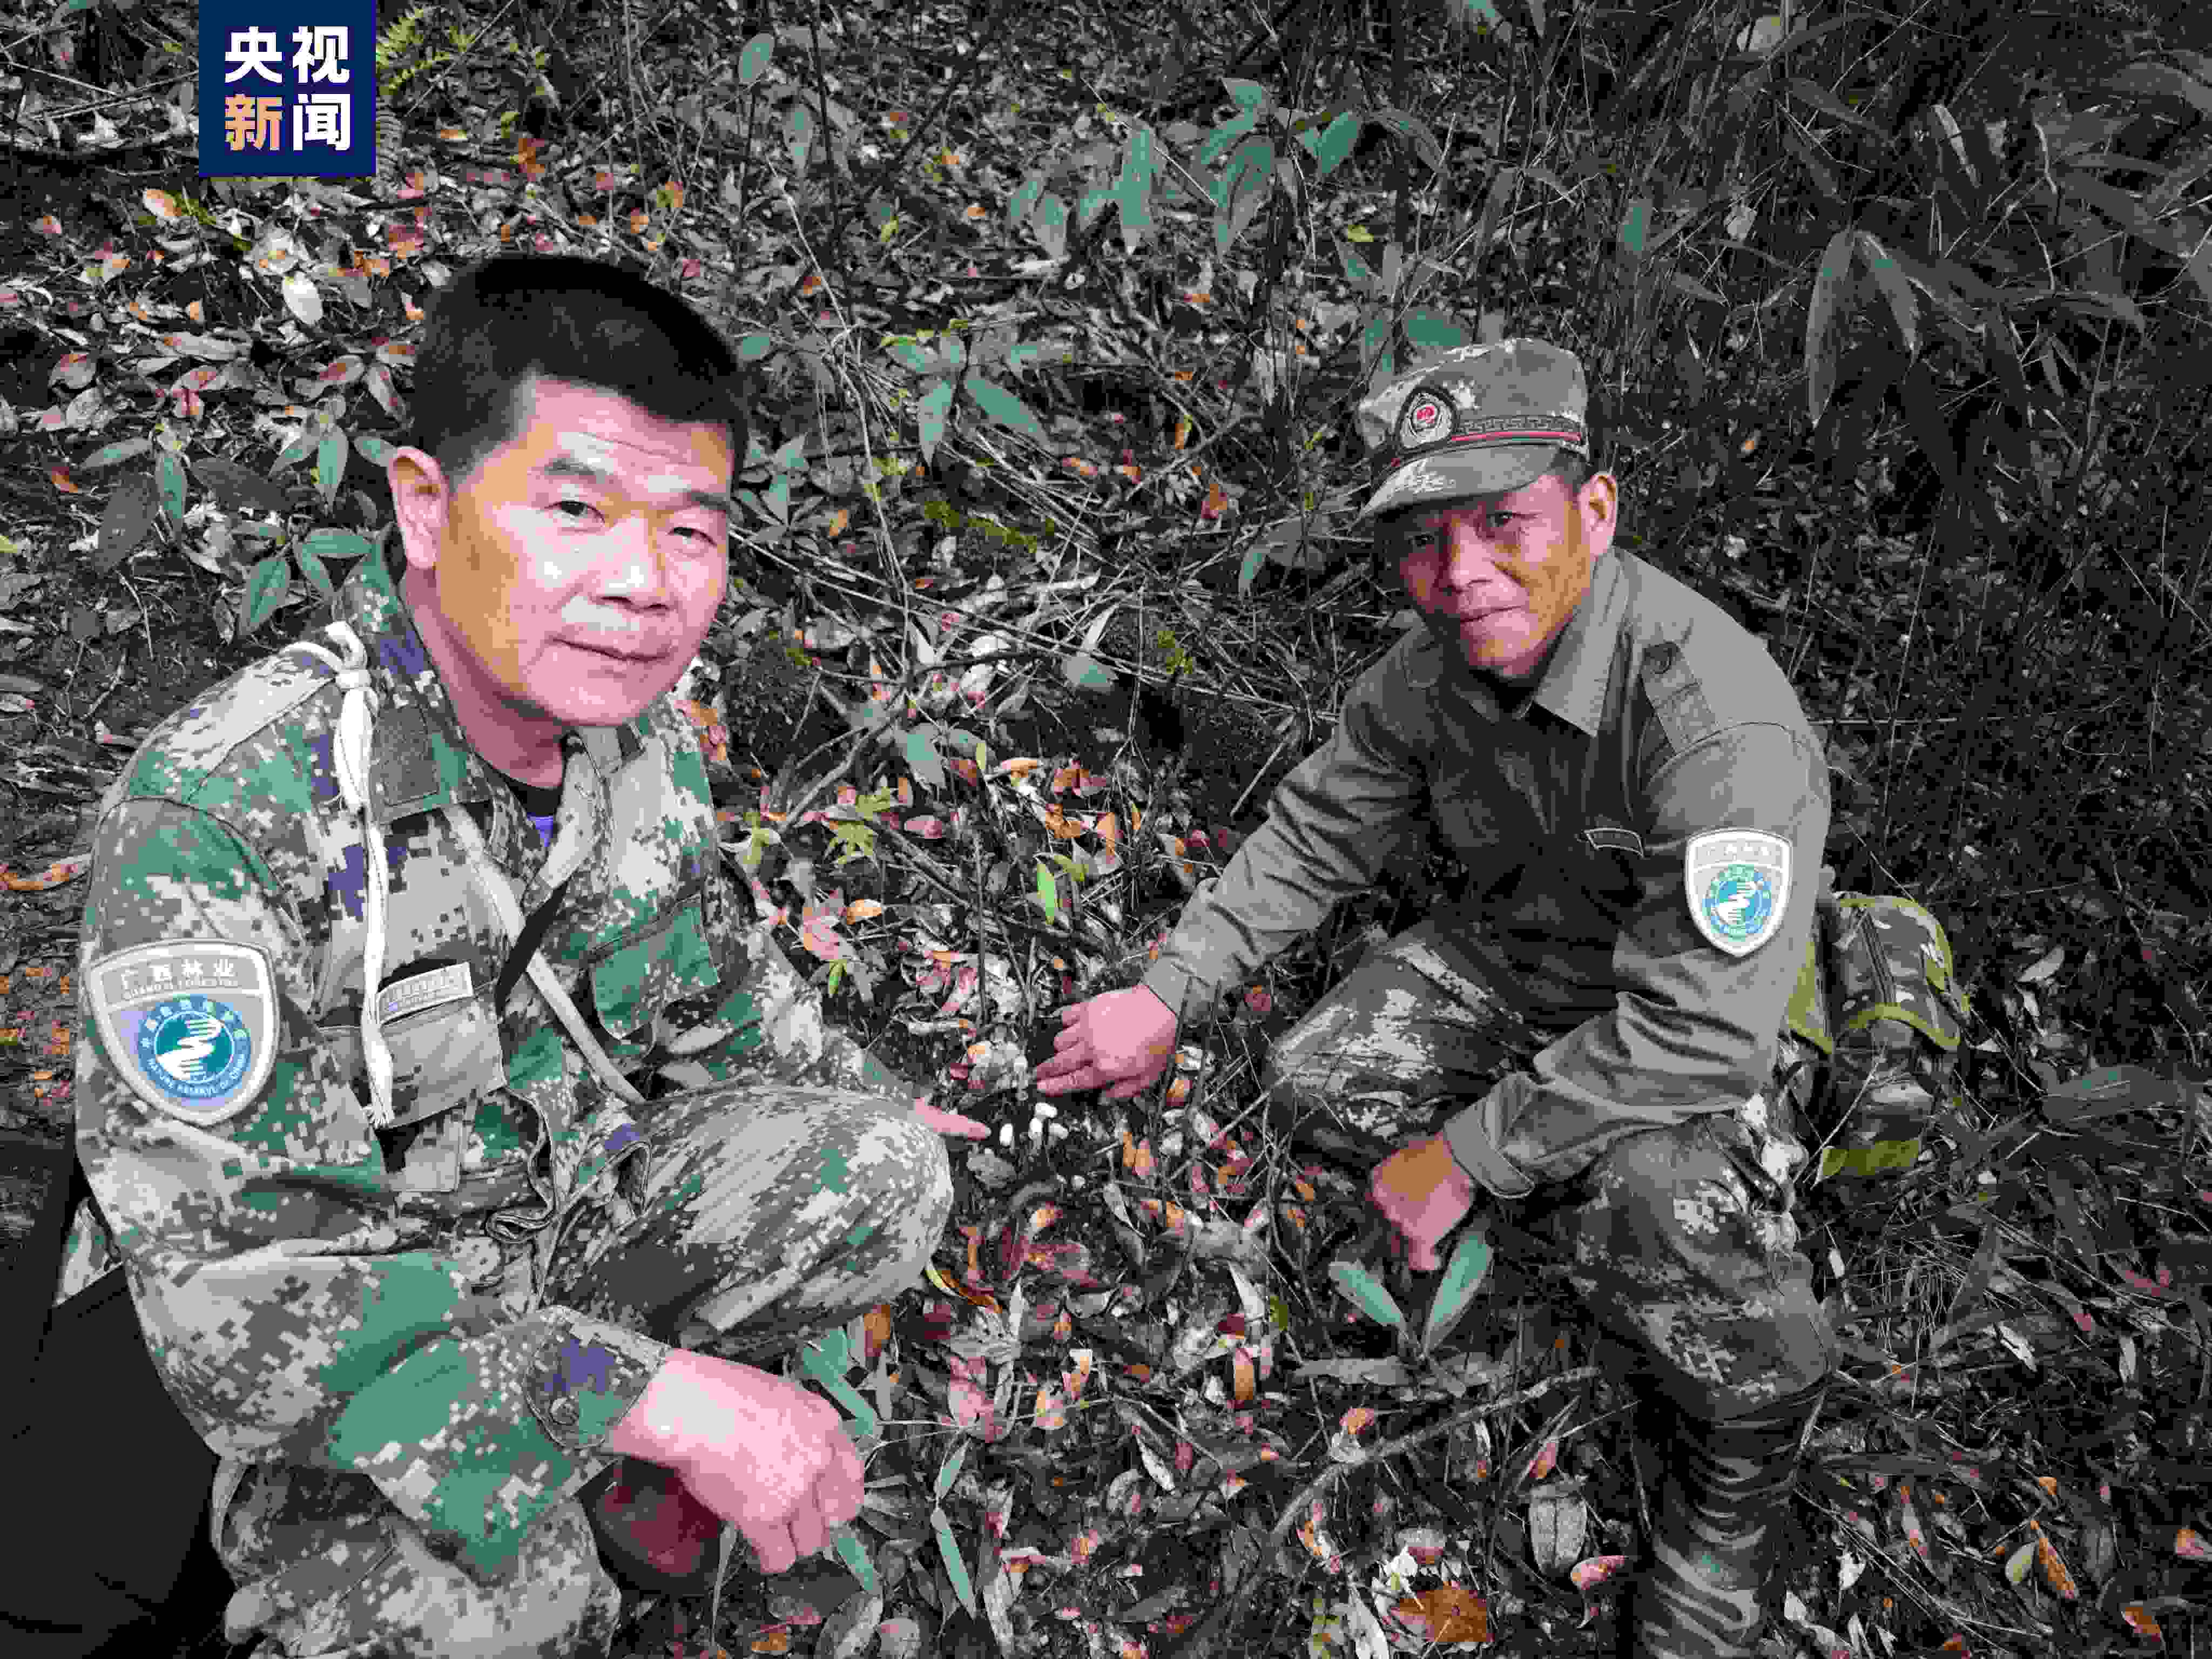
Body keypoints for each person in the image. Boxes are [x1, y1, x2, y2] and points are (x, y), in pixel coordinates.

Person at [63, 253, 982, 1657]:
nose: (645, 585)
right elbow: (255, 1316)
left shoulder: (637, 741)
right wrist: (663, 1399)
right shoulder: (228, 816)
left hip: (549, 1237)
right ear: (425, 508)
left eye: (692, 531)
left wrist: (856, 1091)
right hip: (346, 1355)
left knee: (883, 1170)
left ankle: (604, 1495)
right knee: (484, 1627)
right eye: (575, 511)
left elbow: (715, 974)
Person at [1037, 339, 1836, 1659]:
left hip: (1700, 1020)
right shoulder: (1428, 674)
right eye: (1421, 538)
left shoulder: (1712, 721)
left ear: (1593, 512)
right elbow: (1315, 837)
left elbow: (1701, 1028)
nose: (1458, 572)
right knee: (1316, 1081)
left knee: (1656, 1199)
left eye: (1501, 522)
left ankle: (1733, 1489)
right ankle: (1560, 1205)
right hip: (1524, 969)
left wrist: (1463, 1155)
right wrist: (1166, 994)